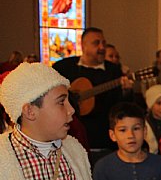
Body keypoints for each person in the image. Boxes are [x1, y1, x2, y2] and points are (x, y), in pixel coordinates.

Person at [53, 27, 133, 157]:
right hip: (69, 140)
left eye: (104, 43)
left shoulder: (113, 71)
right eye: (96, 43)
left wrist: (126, 91)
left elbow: (121, 106)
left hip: (103, 141)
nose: (102, 47)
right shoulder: (64, 67)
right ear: (83, 45)